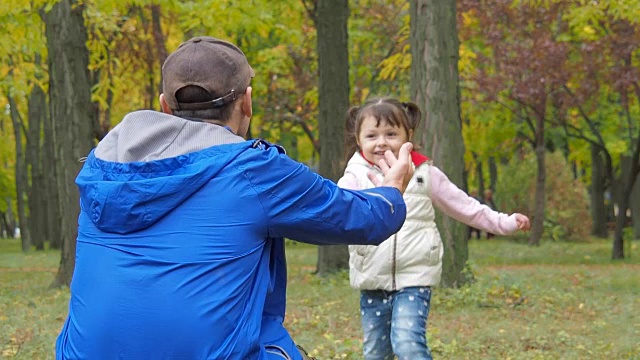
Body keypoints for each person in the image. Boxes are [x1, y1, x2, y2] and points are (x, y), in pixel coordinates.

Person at [55, 37, 416, 360]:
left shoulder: (101, 169)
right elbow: (363, 218)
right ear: (247, 102)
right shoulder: (253, 170)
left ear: (165, 106)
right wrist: (392, 186)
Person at [337, 97, 531, 360]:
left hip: (415, 278)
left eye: (391, 134)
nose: (381, 142)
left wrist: (504, 222)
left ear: (409, 135)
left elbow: (466, 206)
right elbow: (336, 213)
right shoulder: (354, 177)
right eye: (372, 135)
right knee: (375, 353)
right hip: (372, 278)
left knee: (407, 344)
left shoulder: (425, 174)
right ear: (358, 140)